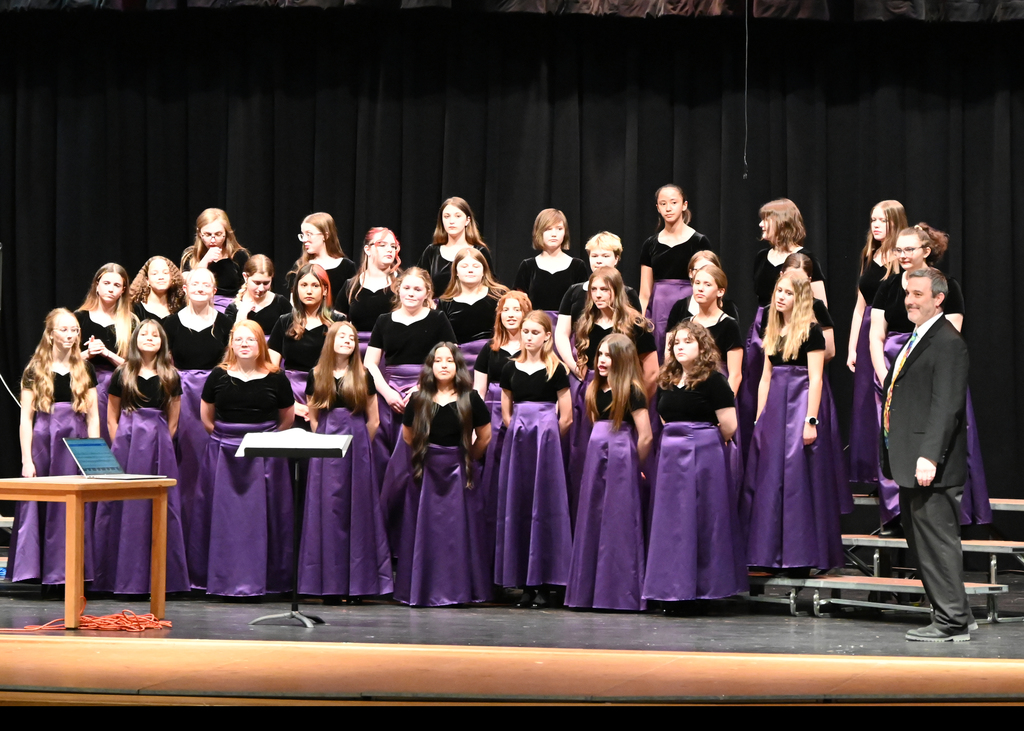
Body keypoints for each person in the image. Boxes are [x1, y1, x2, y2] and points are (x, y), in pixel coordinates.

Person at [869, 224, 989, 530]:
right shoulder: (888, 287)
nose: (904, 255)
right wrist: (887, 377)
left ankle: (960, 513)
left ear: (925, 251)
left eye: (910, 249)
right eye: (899, 249)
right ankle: (897, 513)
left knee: (943, 433)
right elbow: (875, 334)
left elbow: (949, 336)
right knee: (895, 439)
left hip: (931, 377)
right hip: (896, 374)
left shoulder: (946, 286)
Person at [881, 268, 973, 642]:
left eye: (918, 294)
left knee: (936, 542)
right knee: (922, 543)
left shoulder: (948, 342)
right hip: (910, 458)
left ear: (939, 298)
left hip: (929, 462)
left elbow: (946, 406)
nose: (910, 300)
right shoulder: (920, 337)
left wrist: (929, 456)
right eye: (908, 293)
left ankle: (952, 621)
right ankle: (953, 612)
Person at [740, 271, 844, 574]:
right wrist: (759, 417)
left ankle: (799, 556)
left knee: (797, 481)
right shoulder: (772, 328)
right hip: (774, 411)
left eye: (787, 292)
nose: (780, 296)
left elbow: (815, 378)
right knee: (770, 479)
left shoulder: (811, 331)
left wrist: (811, 420)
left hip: (799, 407)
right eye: (778, 291)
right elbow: (765, 378)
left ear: (799, 297)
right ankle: (768, 553)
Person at [643, 322, 747, 608]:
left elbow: (728, 425)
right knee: (672, 522)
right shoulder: (666, 380)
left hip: (703, 455)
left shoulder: (714, 380)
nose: (680, 346)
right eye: (677, 342)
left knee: (702, 519)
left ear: (702, 347)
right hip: (670, 457)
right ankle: (671, 588)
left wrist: (700, 440)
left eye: (688, 341)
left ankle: (702, 590)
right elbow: (665, 417)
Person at [381, 343, 492, 606]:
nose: (443, 365)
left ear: (458, 366)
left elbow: (485, 436)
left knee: (458, 533)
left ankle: (462, 590)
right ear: (430, 366)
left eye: (449, 361)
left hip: (459, 471)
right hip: (427, 472)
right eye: (438, 360)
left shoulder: (470, 398)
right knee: (427, 532)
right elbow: (408, 436)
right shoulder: (418, 399)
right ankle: (424, 589)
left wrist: (467, 458)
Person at [191, 321, 295, 597]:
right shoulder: (218, 376)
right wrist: (231, 440)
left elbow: (287, 418)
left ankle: (269, 581)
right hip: (224, 454)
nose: (245, 344)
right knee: (222, 518)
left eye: (251, 339)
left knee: (266, 519)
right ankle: (217, 579)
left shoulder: (276, 377)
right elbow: (207, 418)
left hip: (265, 457)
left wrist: (261, 443)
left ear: (261, 344)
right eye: (239, 340)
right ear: (232, 345)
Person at [93, 319, 190, 595]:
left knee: (160, 507)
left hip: (159, 446)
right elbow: (111, 417)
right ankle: (116, 577)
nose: (149, 338)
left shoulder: (171, 376)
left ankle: (161, 579)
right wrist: (122, 442)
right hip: (127, 444)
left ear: (162, 342)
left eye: (155, 335)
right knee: (124, 507)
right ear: (135, 339)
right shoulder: (123, 373)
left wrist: (160, 443)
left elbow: (173, 421)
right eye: (144, 334)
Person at [299, 320, 392, 602]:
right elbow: (314, 418)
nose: (348, 340)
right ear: (331, 340)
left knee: (358, 513)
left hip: (357, 447)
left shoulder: (364, 375)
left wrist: (359, 445)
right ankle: (328, 585)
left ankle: (357, 586)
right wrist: (327, 444)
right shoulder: (317, 374)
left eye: (352, 337)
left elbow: (374, 420)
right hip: (326, 448)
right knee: (327, 512)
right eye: (342, 336)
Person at [10, 309, 99, 585]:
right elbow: (26, 418)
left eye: (74, 330)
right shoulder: (35, 369)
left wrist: (95, 460)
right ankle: (41, 571)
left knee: (72, 507)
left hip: (76, 443)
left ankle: (70, 571)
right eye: (64, 329)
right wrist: (27, 459)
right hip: (45, 442)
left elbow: (94, 417)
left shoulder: (85, 368)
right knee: (46, 503)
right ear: (51, 334)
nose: (71, 335)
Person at [565, 334, 653, 611]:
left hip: (621, 458)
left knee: (619, 522)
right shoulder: (594, 389)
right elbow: (596, 427)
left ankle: (621, 594)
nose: (602, 360)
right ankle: (588, 592)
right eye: (600, 354)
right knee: (593, 518)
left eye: (609, 355)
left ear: (623, 360)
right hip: (596, 457)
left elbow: (646, 436)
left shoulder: (633, 391)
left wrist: (633, 465)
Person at [738, 199, 827, 460]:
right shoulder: (760, 257)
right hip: (765, 328)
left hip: (797, 331)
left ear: (782, 222)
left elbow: (818, 305)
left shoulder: (805, 258)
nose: (761, 224)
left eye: (766, 219)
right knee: (757, 386)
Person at [495, 311, 573, 608]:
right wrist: (517, 429)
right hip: (519, 438)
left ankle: (546, 580)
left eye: (534, 332)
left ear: (546, 337)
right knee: (520, 502)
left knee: (546, 504)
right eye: (525, 332)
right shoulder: (510, 368)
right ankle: (524, 583)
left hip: (546, 440)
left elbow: (566, 416)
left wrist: (549, 435)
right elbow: (506, 410)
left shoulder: (557, 370)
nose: (528, 337)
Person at [566, 268, 657, 517]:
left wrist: (631, 403)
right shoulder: (585, 322)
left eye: (604, 289)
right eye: (594, 289)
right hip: (592, 396)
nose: (598, 295)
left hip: (624, 399)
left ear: (616, 291)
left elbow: (651, 373)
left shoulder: (635, 324)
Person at [161, 267, 232, 543]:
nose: (201, 287)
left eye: (207, 284)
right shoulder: (170, 323)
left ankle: (211, 531)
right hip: (180, 395)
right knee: (184, 460)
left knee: (210, 459)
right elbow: (163, 365)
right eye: (195, 283)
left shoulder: (225, 324)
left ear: (214, 290)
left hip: (213, 394)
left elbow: (229, 362)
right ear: (186, 289)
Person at [781, 253, 852, 515]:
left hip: (805, 388)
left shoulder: (816, 309)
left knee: (808, 456)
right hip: (779, 390)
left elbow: (830, 351)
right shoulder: (773, 313)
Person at [365, 268, 456, 468]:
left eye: (417, 288)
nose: (411, 293)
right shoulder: (384, 321)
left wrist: (422, 387)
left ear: (427, 292)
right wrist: (388, 393)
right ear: (398, 290)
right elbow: (370, 363)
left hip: (427, 389)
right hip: (390, 392)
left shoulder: (438, 319)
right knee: (384, 450)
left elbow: (451, 358)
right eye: (406, 287)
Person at [847, 201, 906, 487]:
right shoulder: (870, 255)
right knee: (866, 406)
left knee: (887, 401)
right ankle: (873, 473)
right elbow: (860, 307)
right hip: (866, 334)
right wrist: (851, 346)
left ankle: (893, 477)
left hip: (891, 334)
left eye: (882, 220)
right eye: (873, 220)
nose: (876, 225)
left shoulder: (901, 257)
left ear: (896, 223)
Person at [473, 290, 531, 577]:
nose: (510, 314)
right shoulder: (490, 349)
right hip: (493, 417)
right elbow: (478, 392)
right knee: (491, 484)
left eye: (516, 309)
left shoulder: (535, 347)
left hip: (525, 416)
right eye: (505, 310)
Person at [638, 184, 714, 362]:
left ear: (684, 205)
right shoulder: (650, 244)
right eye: (663, 204)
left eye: (673, 202)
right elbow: (644, 291)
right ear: (657, 207)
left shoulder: (699, 241)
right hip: (659, 306)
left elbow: (709, 278)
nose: (668, 208)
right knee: (659, 353)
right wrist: (640, 319)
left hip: (690, 301)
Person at [268, 263, 340, 427]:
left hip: (328, 393)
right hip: (291, 394)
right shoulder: (284, 321)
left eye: (315, 285)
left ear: (325, 290)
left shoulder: (338, 322)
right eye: (304, 285)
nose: (309, 290)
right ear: (296, 290)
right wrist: (291, 403)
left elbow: (346, 366)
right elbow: (271, 369)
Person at [75, 263, 134, 444]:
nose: (111, 289)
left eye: (117, 285)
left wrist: (107, 353)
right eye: (107, 283)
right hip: (84, 385)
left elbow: (135, 365)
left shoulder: (130, 321)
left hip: (117, 387)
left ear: (123, 290)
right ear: (97, 285)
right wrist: (88, 353)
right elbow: (63, 362)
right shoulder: (79, 318)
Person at [665, 264, 743, 396]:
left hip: (716, 390)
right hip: (688, 390)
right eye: (697, 283)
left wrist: (725, 402)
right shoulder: (686, 323)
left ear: (720, 291)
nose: (700, 288)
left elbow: (735, 374)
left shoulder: (729, 325)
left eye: (707, 284)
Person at [512, 208, 588, 321]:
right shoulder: (527, 266)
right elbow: (519, 302)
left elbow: (582, 304)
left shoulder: (577, 266)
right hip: (535, 328)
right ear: (539, 232)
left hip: (568, 328)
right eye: (548, 229)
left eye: (559, 229)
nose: (554, 234)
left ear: (565, 232)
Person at [337, 227, 402, 356]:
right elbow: (337, 322)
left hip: (391, 352)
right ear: (367, 249)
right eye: (382, 245)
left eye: (393, 246)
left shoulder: (403, 284)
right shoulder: (351, 286)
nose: (390, 249)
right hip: (355, 353)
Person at [438, 247, 507, 368]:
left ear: (484, 271)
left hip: (494, 356)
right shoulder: (445, 302)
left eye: (476, 266)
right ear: (456, 272)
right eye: (464, 266)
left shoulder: (499, 295)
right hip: (459, 362)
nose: (470, 270)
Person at [418, 197, 493, 296]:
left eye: (457, 216)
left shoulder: (480, 251)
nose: (451, 221)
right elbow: (418, 283)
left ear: (467, 220)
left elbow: (491, 286)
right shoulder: (432, 252)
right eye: (446, 216)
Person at [180, 208, 250, 312]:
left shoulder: (239, 256)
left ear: (226, 233)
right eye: (208, 235)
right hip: (198, 305)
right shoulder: (190, 255)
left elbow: (247, 287)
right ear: (200, 233)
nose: (213, 240)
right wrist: (204, 262)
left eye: (218, 234)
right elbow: (185, 284)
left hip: (230, 308)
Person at [286, 212, 357, 303]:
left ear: (325, 235)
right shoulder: (300, 266)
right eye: (303, 235)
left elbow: (352, 301)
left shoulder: (347, 267)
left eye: (309, 234)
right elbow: (294, 303)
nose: (304, 240)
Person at [223, 255, 291, 337]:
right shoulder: (233, 308)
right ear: (245, 277)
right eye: (257, 283)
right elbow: (229, 341)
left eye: (266, 283)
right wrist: (242, 315)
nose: (261, 288)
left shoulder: (281, 303)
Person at [129, 256, 187, 321]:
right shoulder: (135, 309)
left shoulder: (181, 308)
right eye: (154, 273)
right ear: (147, 280)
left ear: (172, 277)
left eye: (165, 273)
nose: (161, 277)